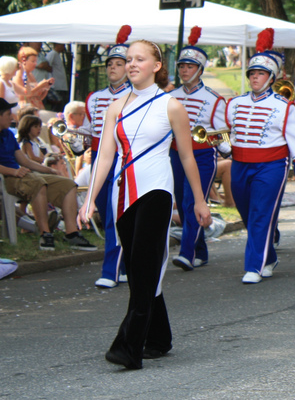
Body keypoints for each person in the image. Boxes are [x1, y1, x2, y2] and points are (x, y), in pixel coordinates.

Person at [77, 40, 211, 369]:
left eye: (140, 59)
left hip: (156, 190)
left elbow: (185, 155)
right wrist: (90, 198)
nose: (132, 63)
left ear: (155, 65)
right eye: (129, 59)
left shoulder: (172, 106)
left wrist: (198, 200)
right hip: (121, 194)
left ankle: (128, 346)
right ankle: (159, 337)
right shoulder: (115, 107)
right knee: (137, 268)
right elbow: (105, 155)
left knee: (144, 264)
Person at [227, 29, 295, 283]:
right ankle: (269, 256)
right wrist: (223, 146)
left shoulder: (284, 106)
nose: (255, 78)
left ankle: (254, 266)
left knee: (261, 213)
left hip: (272, 165)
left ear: (271, 77)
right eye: (252, 73)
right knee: (246, 212)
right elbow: (223, 131)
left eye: (260, 73)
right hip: (240, 164)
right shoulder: (234, 103)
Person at [167, 27, 231, 272]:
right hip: (175, 154)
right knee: (182, 202)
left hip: (202, 154)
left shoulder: (214, 98)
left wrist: (223, 145)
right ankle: (201, 251)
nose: (185, 70)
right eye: (182, 66)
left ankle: (187, 252)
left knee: (193, 201)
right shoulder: (170, 96)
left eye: (190, 67)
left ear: (200, 70)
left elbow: (223, 130)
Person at [0, 101, 94, 251]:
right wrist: (14, 172)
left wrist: (49, 170)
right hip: (7, 178)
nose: (11, 117)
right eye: (7, 114)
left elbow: (24, 161)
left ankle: (71, 233)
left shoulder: (8, 135)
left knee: (68, 184)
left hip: (23, 175)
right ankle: (45, 233)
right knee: (37, 183)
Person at [83, 25, 133, 288]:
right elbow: (88, 129)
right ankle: (125, 265)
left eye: (118, 63)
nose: (112, 68)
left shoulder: (136, 96)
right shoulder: (95, 98)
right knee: (105, 210)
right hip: (97, 158)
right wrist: (74, 137)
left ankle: (110, 271)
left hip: (122, 160)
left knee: (115, 215)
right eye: (109, 64)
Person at [14, 46, 54, 112]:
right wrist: (40, 86)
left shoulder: (30, 74)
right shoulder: (19, 75)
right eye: (33, 61)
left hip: (37, 108)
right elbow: (22, 96)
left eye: (36, 61)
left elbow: (38, 98)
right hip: (27, 109)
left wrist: (46, 87)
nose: (35, 64)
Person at [42, 43, 69, 111]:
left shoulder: (57, 55)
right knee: (58, 104)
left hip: (61, 85)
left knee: (61, 104)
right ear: (57, 45)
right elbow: (47, 66)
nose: (64, 47)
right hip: (56, 85)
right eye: (62, 45)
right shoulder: (52, 54)